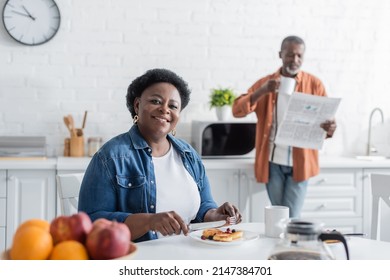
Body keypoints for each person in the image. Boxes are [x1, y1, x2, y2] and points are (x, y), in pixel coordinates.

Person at [78, 68, 242, 242]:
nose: (165, 109)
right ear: (137, 105)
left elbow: (203, 205)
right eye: (156, 101)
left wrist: (215, 215)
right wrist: (149, 221)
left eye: (173, 106)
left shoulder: (189, 155)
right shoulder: (110, 157)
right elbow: (90, 222)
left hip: (191, 254)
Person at [232, 36, 337, 218]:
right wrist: (262, 91)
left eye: (299, 56)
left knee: (292, 217)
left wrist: (330, 128)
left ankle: (288, 246)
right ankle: (280, 246)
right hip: (273, 163)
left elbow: (325, 124)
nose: (294, 60)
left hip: (300, 163)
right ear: (280, 55)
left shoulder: (314, 84)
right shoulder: (267, 82)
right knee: (278, 217)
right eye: (290, 55)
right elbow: (237, 110)